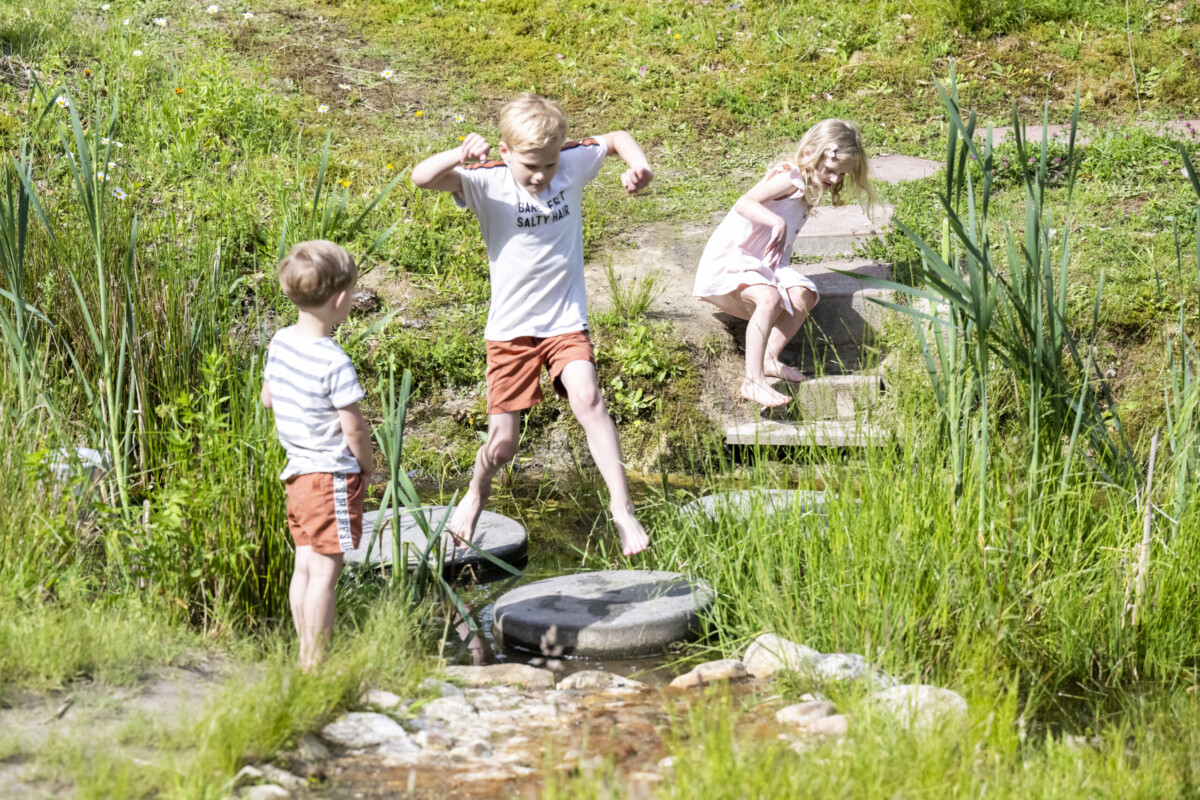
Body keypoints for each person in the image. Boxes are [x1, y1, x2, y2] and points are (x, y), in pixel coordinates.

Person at [411, 93, 652, 556]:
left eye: (549, 163)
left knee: (588, 397)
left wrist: (641, 168)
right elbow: (422, 178)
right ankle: (476, 492)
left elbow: (618, 138)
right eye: (530, 166)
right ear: (505, 153)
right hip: (510, 333)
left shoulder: (570, 164)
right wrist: (458, 153)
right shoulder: (487, 182)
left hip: (565, 321)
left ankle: (622, 510)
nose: (541, 175)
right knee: (502, 446)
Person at [693, 119, 878, 407]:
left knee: (804, 295)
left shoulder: (808, 184)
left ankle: (769, 358)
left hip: (764, 262)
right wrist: (774, 220)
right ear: (809, 154)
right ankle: (752, 380)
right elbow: (744, 202)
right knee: (768, 298)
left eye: (841, 174)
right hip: (737, 257)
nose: (833, 179)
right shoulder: (790, 177)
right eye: (830, 170)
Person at [261, 240, 374, 671]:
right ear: (341, 299)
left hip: (296, 477)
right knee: (326, 575)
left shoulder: (281, 342)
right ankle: (317, 663)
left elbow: (268, 399)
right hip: (330, 478)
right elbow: (354, 426)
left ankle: (305, 655)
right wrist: (366, 465)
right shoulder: (334, 361)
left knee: (303, 568)